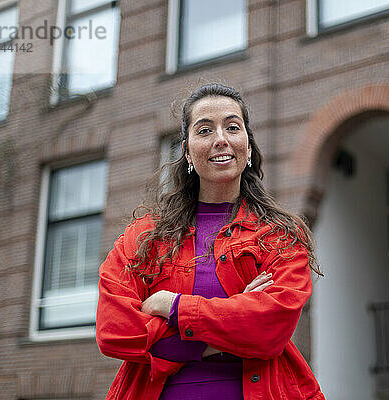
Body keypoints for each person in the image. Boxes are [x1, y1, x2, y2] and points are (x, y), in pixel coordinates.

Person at [96, 83, 325, 400]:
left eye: (232, 127)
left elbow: (269, 329)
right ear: (187, 150)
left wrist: (171, 306)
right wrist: (231, 322)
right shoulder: (144, 236)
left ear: (247, 145)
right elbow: (115, 332)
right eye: (204, 130)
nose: (221, 139)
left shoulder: (279, 236)